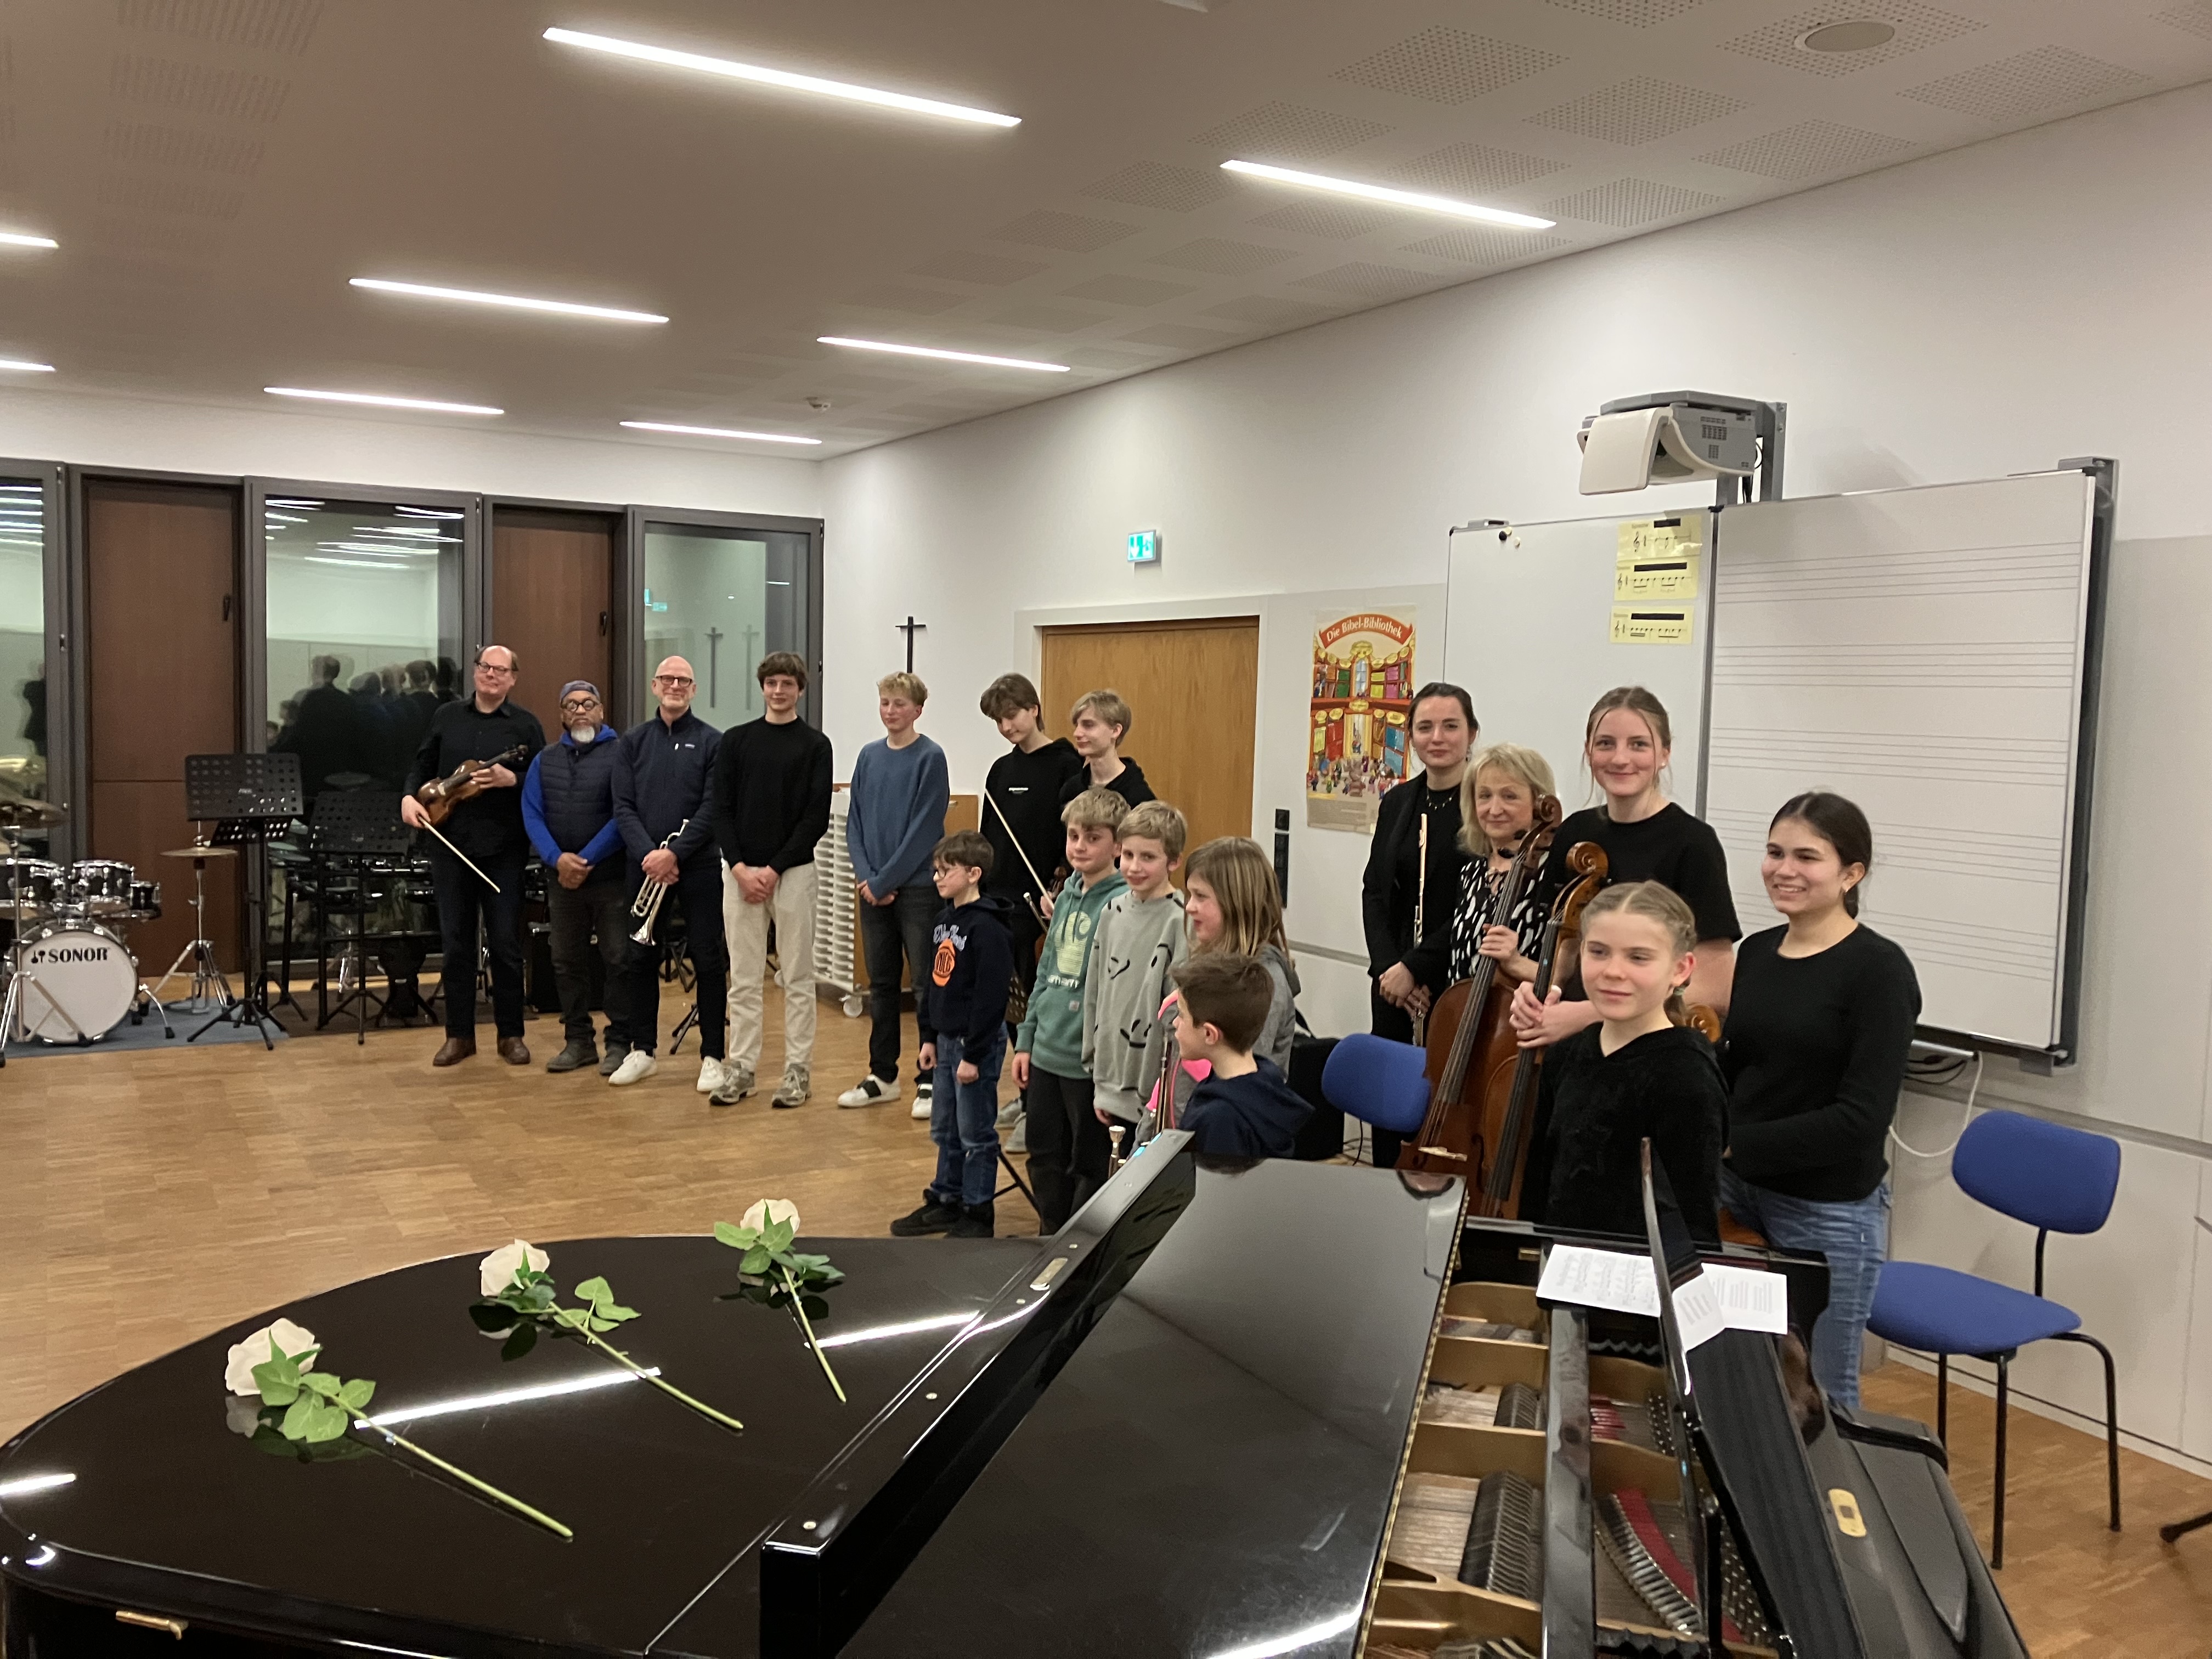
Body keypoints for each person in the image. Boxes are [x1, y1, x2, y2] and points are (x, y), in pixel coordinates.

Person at [1720, 793, 1921, 1410]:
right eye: (1775, 852)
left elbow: (1861, 1120)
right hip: (1736, 1192)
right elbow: (1741, 1069)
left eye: (1807, 857)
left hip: (1827, 1209)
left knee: (1822, 1397)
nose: (1785, 870)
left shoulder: (1879, 971)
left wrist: (1732, 1143)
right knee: (1739, 1377)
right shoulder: (1757, 952)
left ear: (1851, 873)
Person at [1510, 686, 1739, 1050]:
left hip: (1648, 1048)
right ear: (1589, 752)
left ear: (1664, 754)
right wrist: (1541, 992)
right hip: (1572, 1044)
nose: (1620, 758)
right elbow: (1566, 952)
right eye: (1605, 744)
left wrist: (1588, 1014)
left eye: (1638, 745)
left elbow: (1713, 988)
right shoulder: (1574, 832)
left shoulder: (1694, 843)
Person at [1517, 882, 1726, 1242]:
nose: (1613, 971)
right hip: (1561, 1260)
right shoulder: (1567, 1053)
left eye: (1638, 957)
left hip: (1639, 1270)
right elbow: (1540, 1178)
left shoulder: (1687, 1075)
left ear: (1681, 969)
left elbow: (1694, 1220)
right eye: (1599, 952)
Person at [402, 645, 545, 1066]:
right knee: (456, 946)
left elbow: (544, 779)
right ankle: (459, 1036)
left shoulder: (525, 725)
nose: (491, 674)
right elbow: (422, 765)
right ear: (476, 672)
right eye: (485, 667)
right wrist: (409, 797)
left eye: (501, 670)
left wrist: (512, 779)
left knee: (505, 944)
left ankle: (511, 1035)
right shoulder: (447, 716)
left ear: (513, 678)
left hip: (504, 850)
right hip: (450, 846)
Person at [1359, 682, 1478, 1164]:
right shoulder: (1398, 802)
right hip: (1393, 987)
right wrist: (1391, 968)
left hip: (1454, 984)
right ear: (1410, 736)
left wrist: (1416, 967)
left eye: (1451, 726)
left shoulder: (1485, 805)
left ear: (1472, 733)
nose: (1438, 737)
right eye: (1425, 727)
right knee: (1390, 1109)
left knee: (1443, 1112)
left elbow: (1477, 907)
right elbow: (1374, 892)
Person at [712, 652, 834, 1109]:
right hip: (740, 875)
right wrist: (740, 868)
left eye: (787, 684)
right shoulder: (736, 741)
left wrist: (774, 869)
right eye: (772, 683)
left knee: (797, 976)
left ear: (800, 689)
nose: (779, 691)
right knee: (743, 979)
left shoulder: (815, 745)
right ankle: (741, 1068)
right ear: (762, 687)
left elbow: (815, 817)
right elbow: (721, 810)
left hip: (793, 873)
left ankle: (797, 1071)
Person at [1012, 787, 1130, 1233]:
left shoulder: (1122, 903)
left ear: (1117, 846)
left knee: (1088, 1162)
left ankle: (1076, 1247)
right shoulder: (1064, 897)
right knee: (1044, 1155)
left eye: (1093, 838)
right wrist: (1027, 1039)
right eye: (1074, 836)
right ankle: (1049, 1235)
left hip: (1086, 1063)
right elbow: (1046, 972)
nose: (1079, 846)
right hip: (1047, 1051)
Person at [607, 657, 726, 1090]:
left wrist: (674, 854)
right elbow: (623, 807)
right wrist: (651, 856)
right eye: (668, 679)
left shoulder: (713, 742)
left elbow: (713, 808)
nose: (675, 685)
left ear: (693, 690)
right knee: (640, 957)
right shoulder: (633, 742)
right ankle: (643, 1050)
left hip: (698, 866)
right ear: (655, 686)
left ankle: (713, 1055)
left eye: (684, 681)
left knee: (708, 958)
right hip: (645, 867)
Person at [978, 673, 1085, 1148]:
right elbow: (990, 837)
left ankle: (1038, 1107)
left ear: (1034, 709)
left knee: (1040, 1006)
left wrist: (1059, 884)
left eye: (1012, 716)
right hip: (1000, 901)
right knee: (1012, 1004)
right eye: (999, 721)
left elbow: (1071, 837)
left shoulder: (1066, 764)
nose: (1006, 727)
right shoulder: (1000, 771)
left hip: (1043, 903)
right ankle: (1024, 1097)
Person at [890, 831, 1014, 1240]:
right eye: (936, 870)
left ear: (974, 874)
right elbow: (934, 983)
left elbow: (990, 998)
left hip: (973, 1044)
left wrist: (974, 1055)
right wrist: (928, 1037)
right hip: (945, 1041)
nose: (937, 877)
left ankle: (977, 1210)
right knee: (946, 1128)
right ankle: (946, 1198)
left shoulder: (989, 928)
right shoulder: (943, 921)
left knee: (975, 1132)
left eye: (946, 871)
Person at [839, 672, 951, 1114]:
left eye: (900, 704)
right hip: (873, 890)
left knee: (925, 985)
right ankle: (882, 1075)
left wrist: (884, 881)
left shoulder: (931, 757)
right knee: (882, 985)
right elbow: (855, 822)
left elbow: (926, 828)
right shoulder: (868, 756)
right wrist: (868, 878)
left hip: (919, 890)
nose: (891, 711)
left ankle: (931, 1078)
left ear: (918, 710)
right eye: (885, 702)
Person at [520, 680, 630, 1076]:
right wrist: (557, 859)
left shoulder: (622, 755)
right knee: (566, 961)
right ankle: (578, 1042)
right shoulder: (544, 760)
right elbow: (532, 814)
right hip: (562, 880)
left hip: (611, 878)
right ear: (562, 716)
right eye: (571, 705)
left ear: (601, 711)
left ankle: (620, 1043)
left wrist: (584, 860)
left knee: (618, 959)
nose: (580, 710)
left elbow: (624, 814)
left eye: (588, 703)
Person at [1150, 837, 1301, 1126]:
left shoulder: (1261, 983)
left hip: (1216, 1133)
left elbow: (1239, 1079)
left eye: (1201, 896)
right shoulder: (1210, 965)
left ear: (1237, 904)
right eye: (1189, 895)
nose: (1189, 907)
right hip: (1183, 1128)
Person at [1404, 743, 1558, 1000]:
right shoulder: (1472, 872)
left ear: (1540, 803)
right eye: (1484, 796)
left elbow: (1572, 980)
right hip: (1462, 1015)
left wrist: (1518, 963)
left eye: (1509, 796)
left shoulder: (1555, 875)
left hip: (1523, 1020)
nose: (1494, 809)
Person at [1084, 799, 1189, 1133]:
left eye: (1148, 857)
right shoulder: (1111, 912)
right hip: (1107, 1080)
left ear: (1174, 861)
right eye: (1128, 855)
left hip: (1152, 1086)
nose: (1134, 867)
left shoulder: (1180, 920)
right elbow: (1096, 993)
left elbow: (1178, 1011)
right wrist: (1098, 1075)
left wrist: (1162, 1090)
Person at [1170, 953, 1312, 1159]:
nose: (1175, 1023)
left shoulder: (1220, 1120)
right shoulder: (1265, 1079)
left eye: (1182, 1015)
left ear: (1209, 1034)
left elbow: (1212, 1180)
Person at [1056, 689, 1155, 810]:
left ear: (1115, 731)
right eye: (1077, 725)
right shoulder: (1071, 790)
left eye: (1088, 725)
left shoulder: (1139, 798)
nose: (1077, 733)